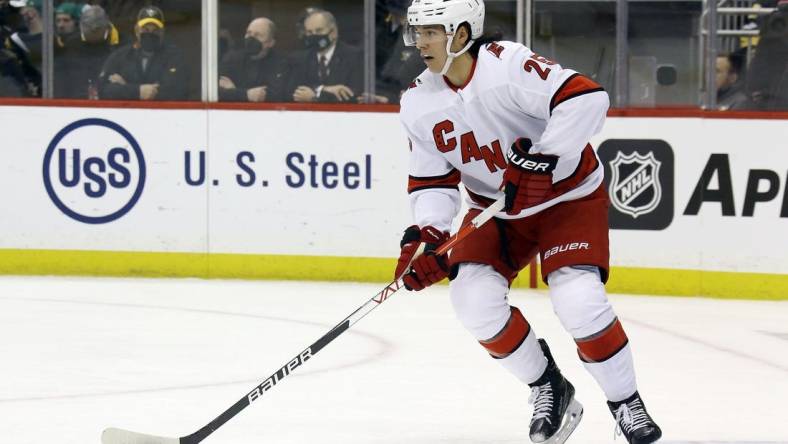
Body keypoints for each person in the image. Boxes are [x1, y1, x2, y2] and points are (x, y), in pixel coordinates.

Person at [394, 1, 662, 443]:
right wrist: (428, 236)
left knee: (578, 300)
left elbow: (587, 97)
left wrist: (543, 160)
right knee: (472, 300)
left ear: (462, 34)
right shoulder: (416, 102)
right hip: (496, 213)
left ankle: (625, 403)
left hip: (567, 198)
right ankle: (550, 388)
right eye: (417, 31)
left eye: (432, 31)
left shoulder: (508, 64)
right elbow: (431, 179)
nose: (420, 42)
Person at [98, 5, 188, 101]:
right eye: (145, 29)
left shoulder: (174, 56)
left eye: (155, 30)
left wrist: (126, 86)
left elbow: (177, 91)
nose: (150, 33)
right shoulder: (120, 56)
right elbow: (103, 90)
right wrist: (137, 91)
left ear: (162, 32)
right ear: (136, 30)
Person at [287, 9, 363, 103]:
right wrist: (323, 90)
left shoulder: (354, 56)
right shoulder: (299, 59)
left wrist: (316, 96)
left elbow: (353, 95)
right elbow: (291, 92)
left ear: (334, 32)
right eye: (310, 32)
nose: (314, 36)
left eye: (319, 30)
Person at [55, 5, 119, 99]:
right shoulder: (71, 45)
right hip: (75, 101)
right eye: (89, 29)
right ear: (81, 26)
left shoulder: (119, 45)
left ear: (106, 27)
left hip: (109, 100)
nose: (93, 31)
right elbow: (61, 78)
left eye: (96, 30)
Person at [219, 17, 289, 103]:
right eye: (248, 33)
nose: (251, 38)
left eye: (258, 35)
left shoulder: (281, 63)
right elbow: (217, 91)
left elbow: (276, 95)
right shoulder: (232, 58)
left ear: (271, 43)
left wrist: (234, 91)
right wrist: (246, 94)